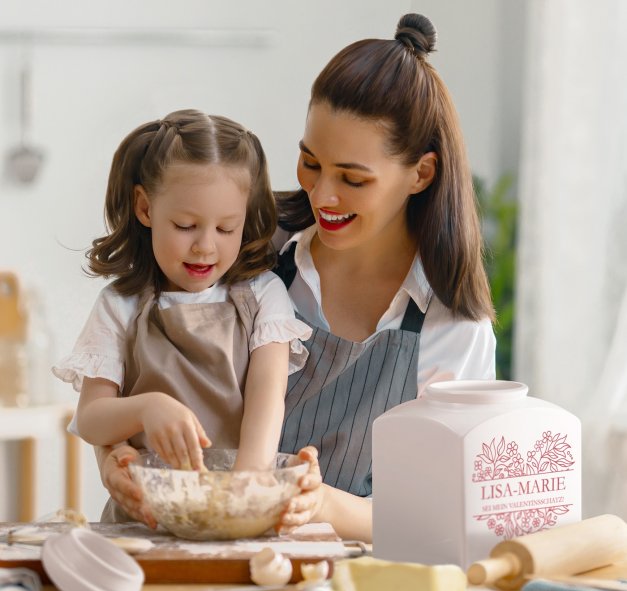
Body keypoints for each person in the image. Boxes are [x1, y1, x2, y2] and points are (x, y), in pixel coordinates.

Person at [96, 13, 496, 541]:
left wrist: (323, 502)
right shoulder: (248, 253)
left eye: (353, 179)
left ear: (420, 174)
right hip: (191, 545)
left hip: (347, 582)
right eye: (310, 163)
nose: (322, 195)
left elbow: (446, 514)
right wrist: (113, 460)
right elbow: (137, 365)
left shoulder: (453, 327)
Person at [53, 109, 311, 521]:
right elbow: (90, 420)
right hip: (142, 519)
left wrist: (243, 494)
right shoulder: (120, 305)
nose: (205, 247)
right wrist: (146, 408)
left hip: (233, 510)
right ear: (145, 208)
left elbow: (267, 403)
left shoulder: (264, 297)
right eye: (186, 225)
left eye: (227, 229)